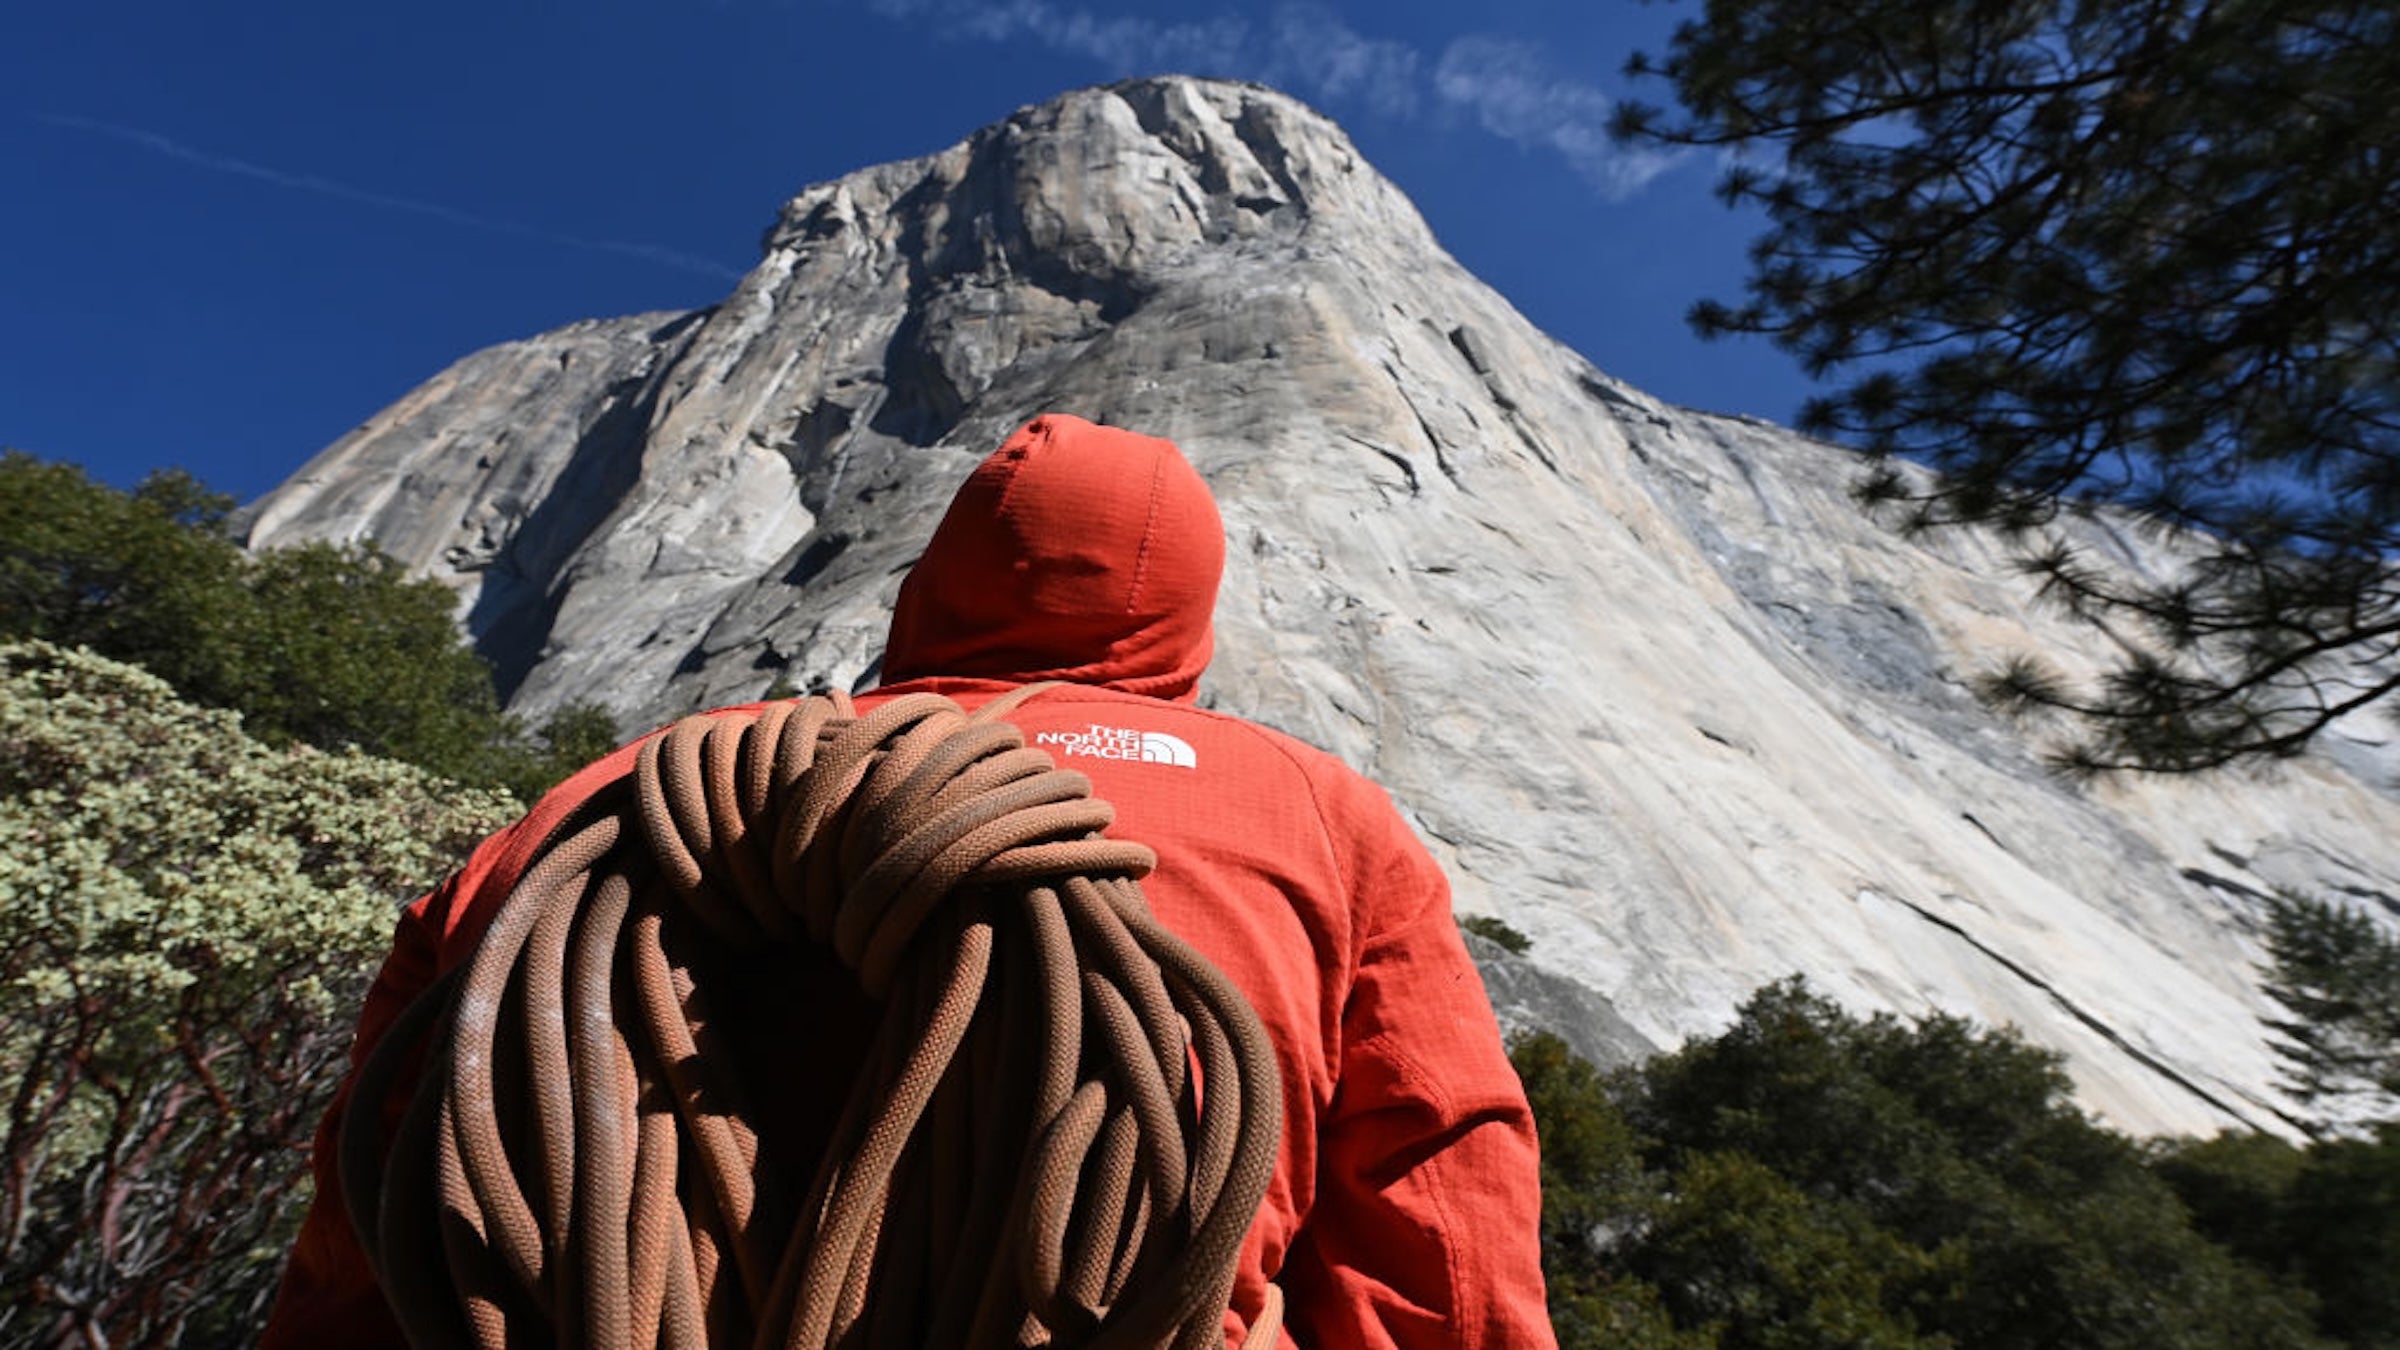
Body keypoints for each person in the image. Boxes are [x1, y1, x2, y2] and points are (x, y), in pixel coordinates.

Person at [263, 412, 1554, 1348]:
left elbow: (381, 1181)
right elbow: (1442, 1200)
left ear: (925, 589)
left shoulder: (614, 791)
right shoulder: (1321, 812)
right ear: (1191, 631)